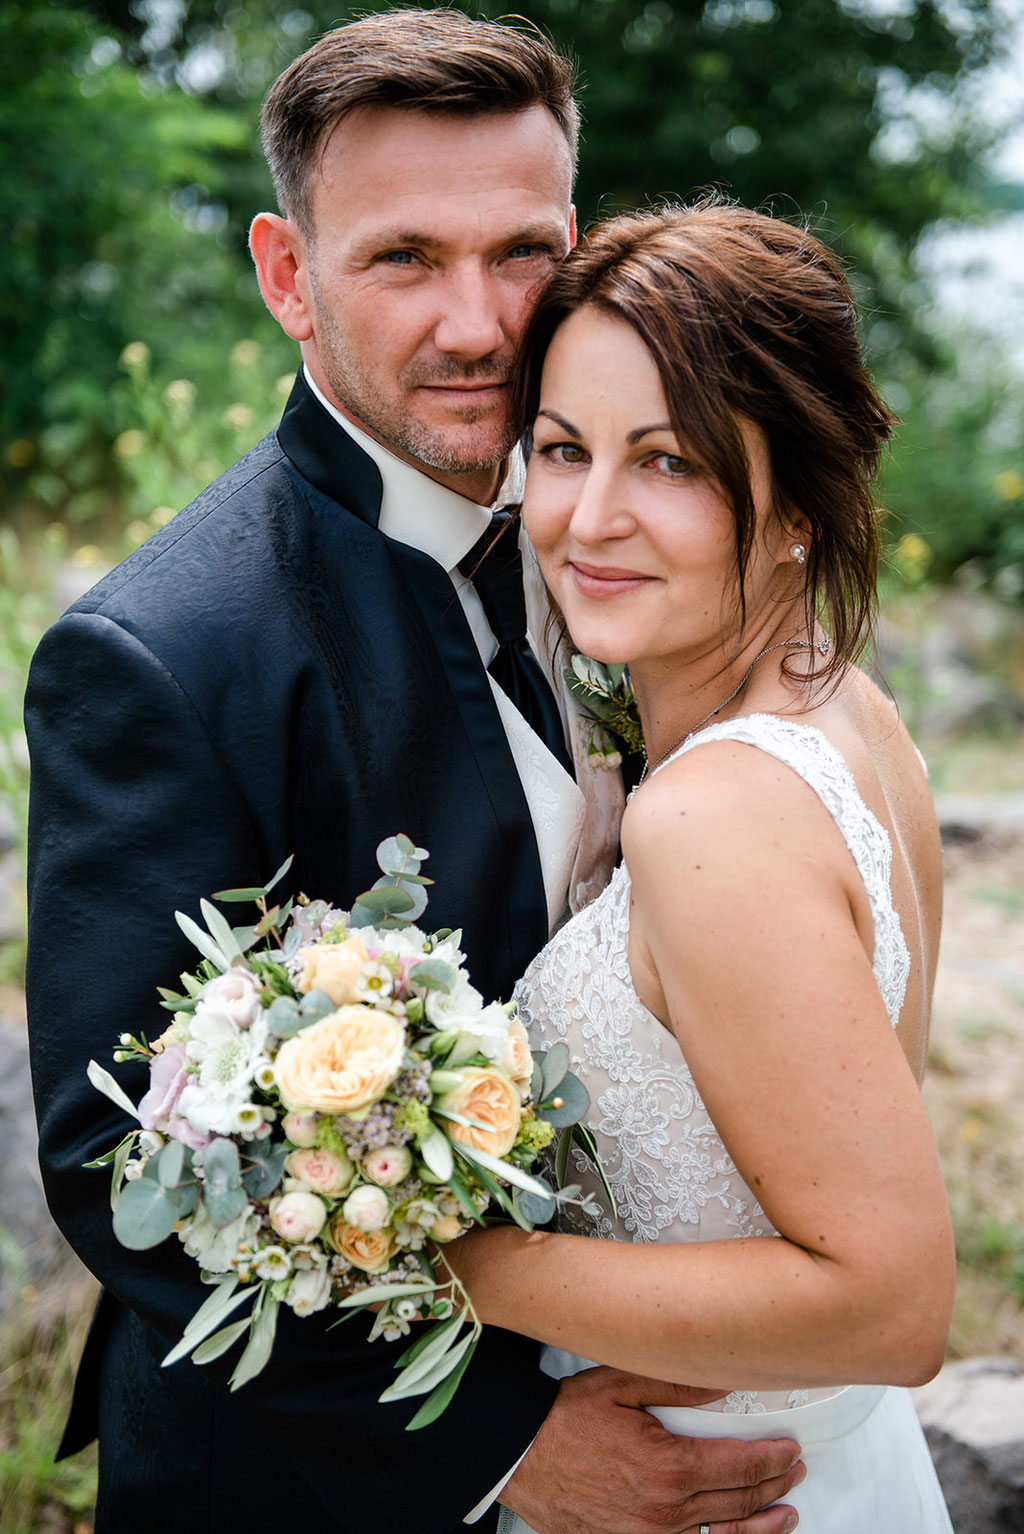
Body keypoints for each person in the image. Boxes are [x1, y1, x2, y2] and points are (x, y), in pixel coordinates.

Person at [24, 13, 805, 1534]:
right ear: (285, 277)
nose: (480, 323)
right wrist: (502, 1450)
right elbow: (116, 1149)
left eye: (521, 252)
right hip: (313, 1482)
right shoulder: (159, 655)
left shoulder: (624, 531)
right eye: (402, 260)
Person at [437, 201, 958, 1533]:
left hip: (724, 1492)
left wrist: (472, 1265)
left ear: (795, 499)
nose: (589, 517)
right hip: (834, 1461)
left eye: (665, 462)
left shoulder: (712, 813)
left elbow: (892, 1302)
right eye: (562, 449)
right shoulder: (845, 709)